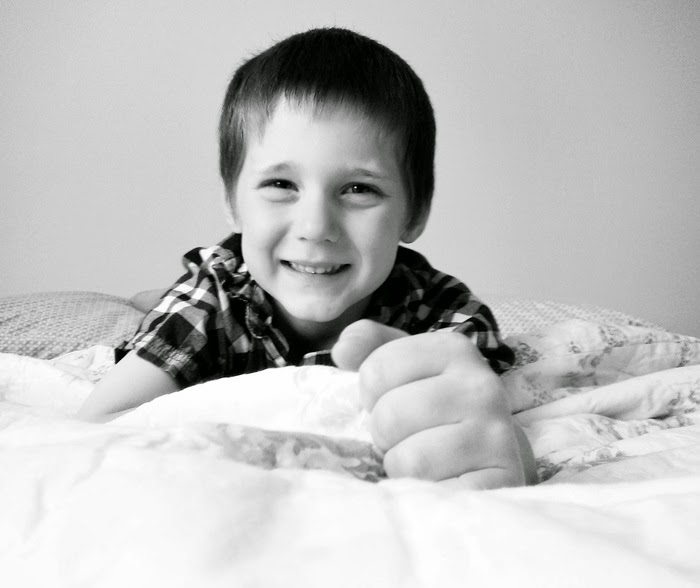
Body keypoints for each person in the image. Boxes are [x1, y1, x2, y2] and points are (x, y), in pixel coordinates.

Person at [78, 27, 536, 488]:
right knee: (168, 311)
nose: (316, 227)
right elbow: (99, 424)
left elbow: (487, 431)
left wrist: (504, 454)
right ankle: (151, 300)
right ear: (233, 204)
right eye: (281, 185)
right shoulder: (215, 299)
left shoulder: (444, 317)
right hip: (224, 293)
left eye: (358, 189)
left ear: (413, 214)